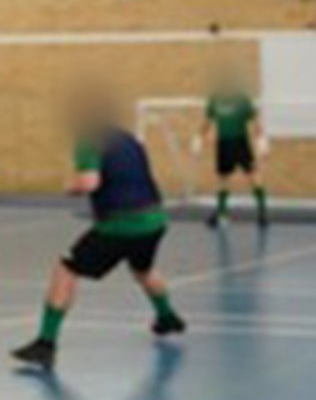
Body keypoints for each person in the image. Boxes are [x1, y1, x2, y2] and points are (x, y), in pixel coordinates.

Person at [11, 88, 187, 372]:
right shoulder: (130, 140)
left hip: (121, 223)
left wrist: (71, 187)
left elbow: (89, 183)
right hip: (154, 219)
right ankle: (167, 317)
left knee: (66, 268)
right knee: (143, 269)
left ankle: (45, 343)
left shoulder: (88, 141)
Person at [195, 73, 269, 228]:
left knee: (252, 176)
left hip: (240, 141)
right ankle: (222, 214)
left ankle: (262, 212)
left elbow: (255, 121)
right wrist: (199, 139)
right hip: (223, 144)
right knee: (223, 179)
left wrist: (261, 140)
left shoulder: (242, 100)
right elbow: (207, 122)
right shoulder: (214, 100)